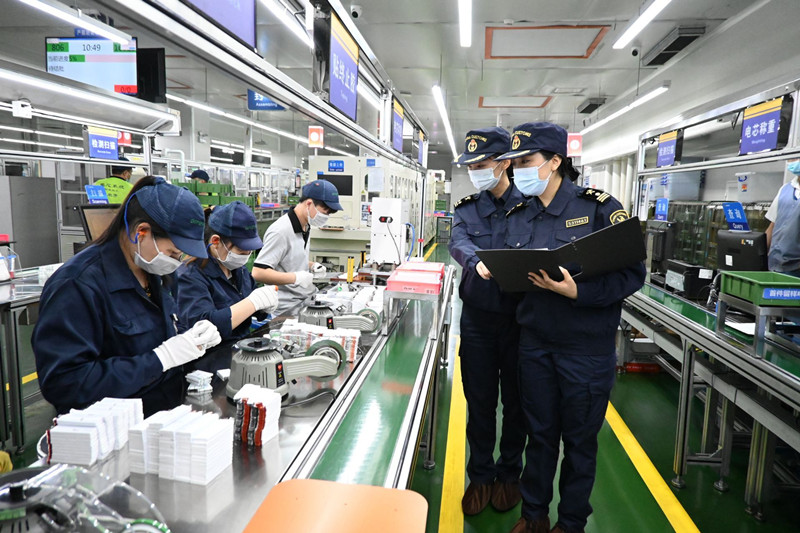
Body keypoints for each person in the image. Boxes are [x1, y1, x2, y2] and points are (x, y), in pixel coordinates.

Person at [501, 123, 645, 533]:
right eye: (513, 163)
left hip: (585, 350)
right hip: (535, 346)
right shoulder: (519, 213)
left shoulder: (599, 209)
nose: (516, 171)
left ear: (554, 161)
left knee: (579, 443)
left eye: (525, 162)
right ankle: (533, 518)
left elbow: (632, 275)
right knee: (540, 436)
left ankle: (571, 523)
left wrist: (576, 291)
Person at [32, 177, 222, 417]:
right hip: (113, 430)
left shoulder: (153, 271)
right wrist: (160, 359)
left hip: (164, 415)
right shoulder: (78, 285)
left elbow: (156, 336)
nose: (176, 262)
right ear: (141, 232)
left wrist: (192, 338)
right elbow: (65, 384)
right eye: (173, 252)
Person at [448, 127, 527, 516]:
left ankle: (509, 474)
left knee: (517, 403)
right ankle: (480, 476)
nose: (476, 171)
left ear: (504, 164)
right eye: (472, 165)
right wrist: (476, 261)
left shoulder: (531, 205)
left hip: (521, 320)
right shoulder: (466, 208)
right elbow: (457, 241)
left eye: (482, 165)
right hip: (478, 320)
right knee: (479, 403)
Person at [174, 201, 278, 367]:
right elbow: (203, 327)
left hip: (240, 354)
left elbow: (253, 306)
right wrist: (252, 303)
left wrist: (264, 306)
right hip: (207, 364)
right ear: (216, 242)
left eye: (249, 252)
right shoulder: (190, 276)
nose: (246, 256)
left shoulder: (238, 270)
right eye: (241, 252)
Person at [252, 180, 341, 316]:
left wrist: (311, 265)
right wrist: (295, 278)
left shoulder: (305, 225)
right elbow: (259, 272)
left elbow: (288, 258)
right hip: (286, 308)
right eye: (325, 211)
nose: (326, 216)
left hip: (305, 299)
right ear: (309, 204)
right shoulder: (280, 231)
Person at [765, 159, 800, 277]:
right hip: (774, 264)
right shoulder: (785, 189)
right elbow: (772, 226)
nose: (794, 161)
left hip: (796, 268)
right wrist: (758, 256)